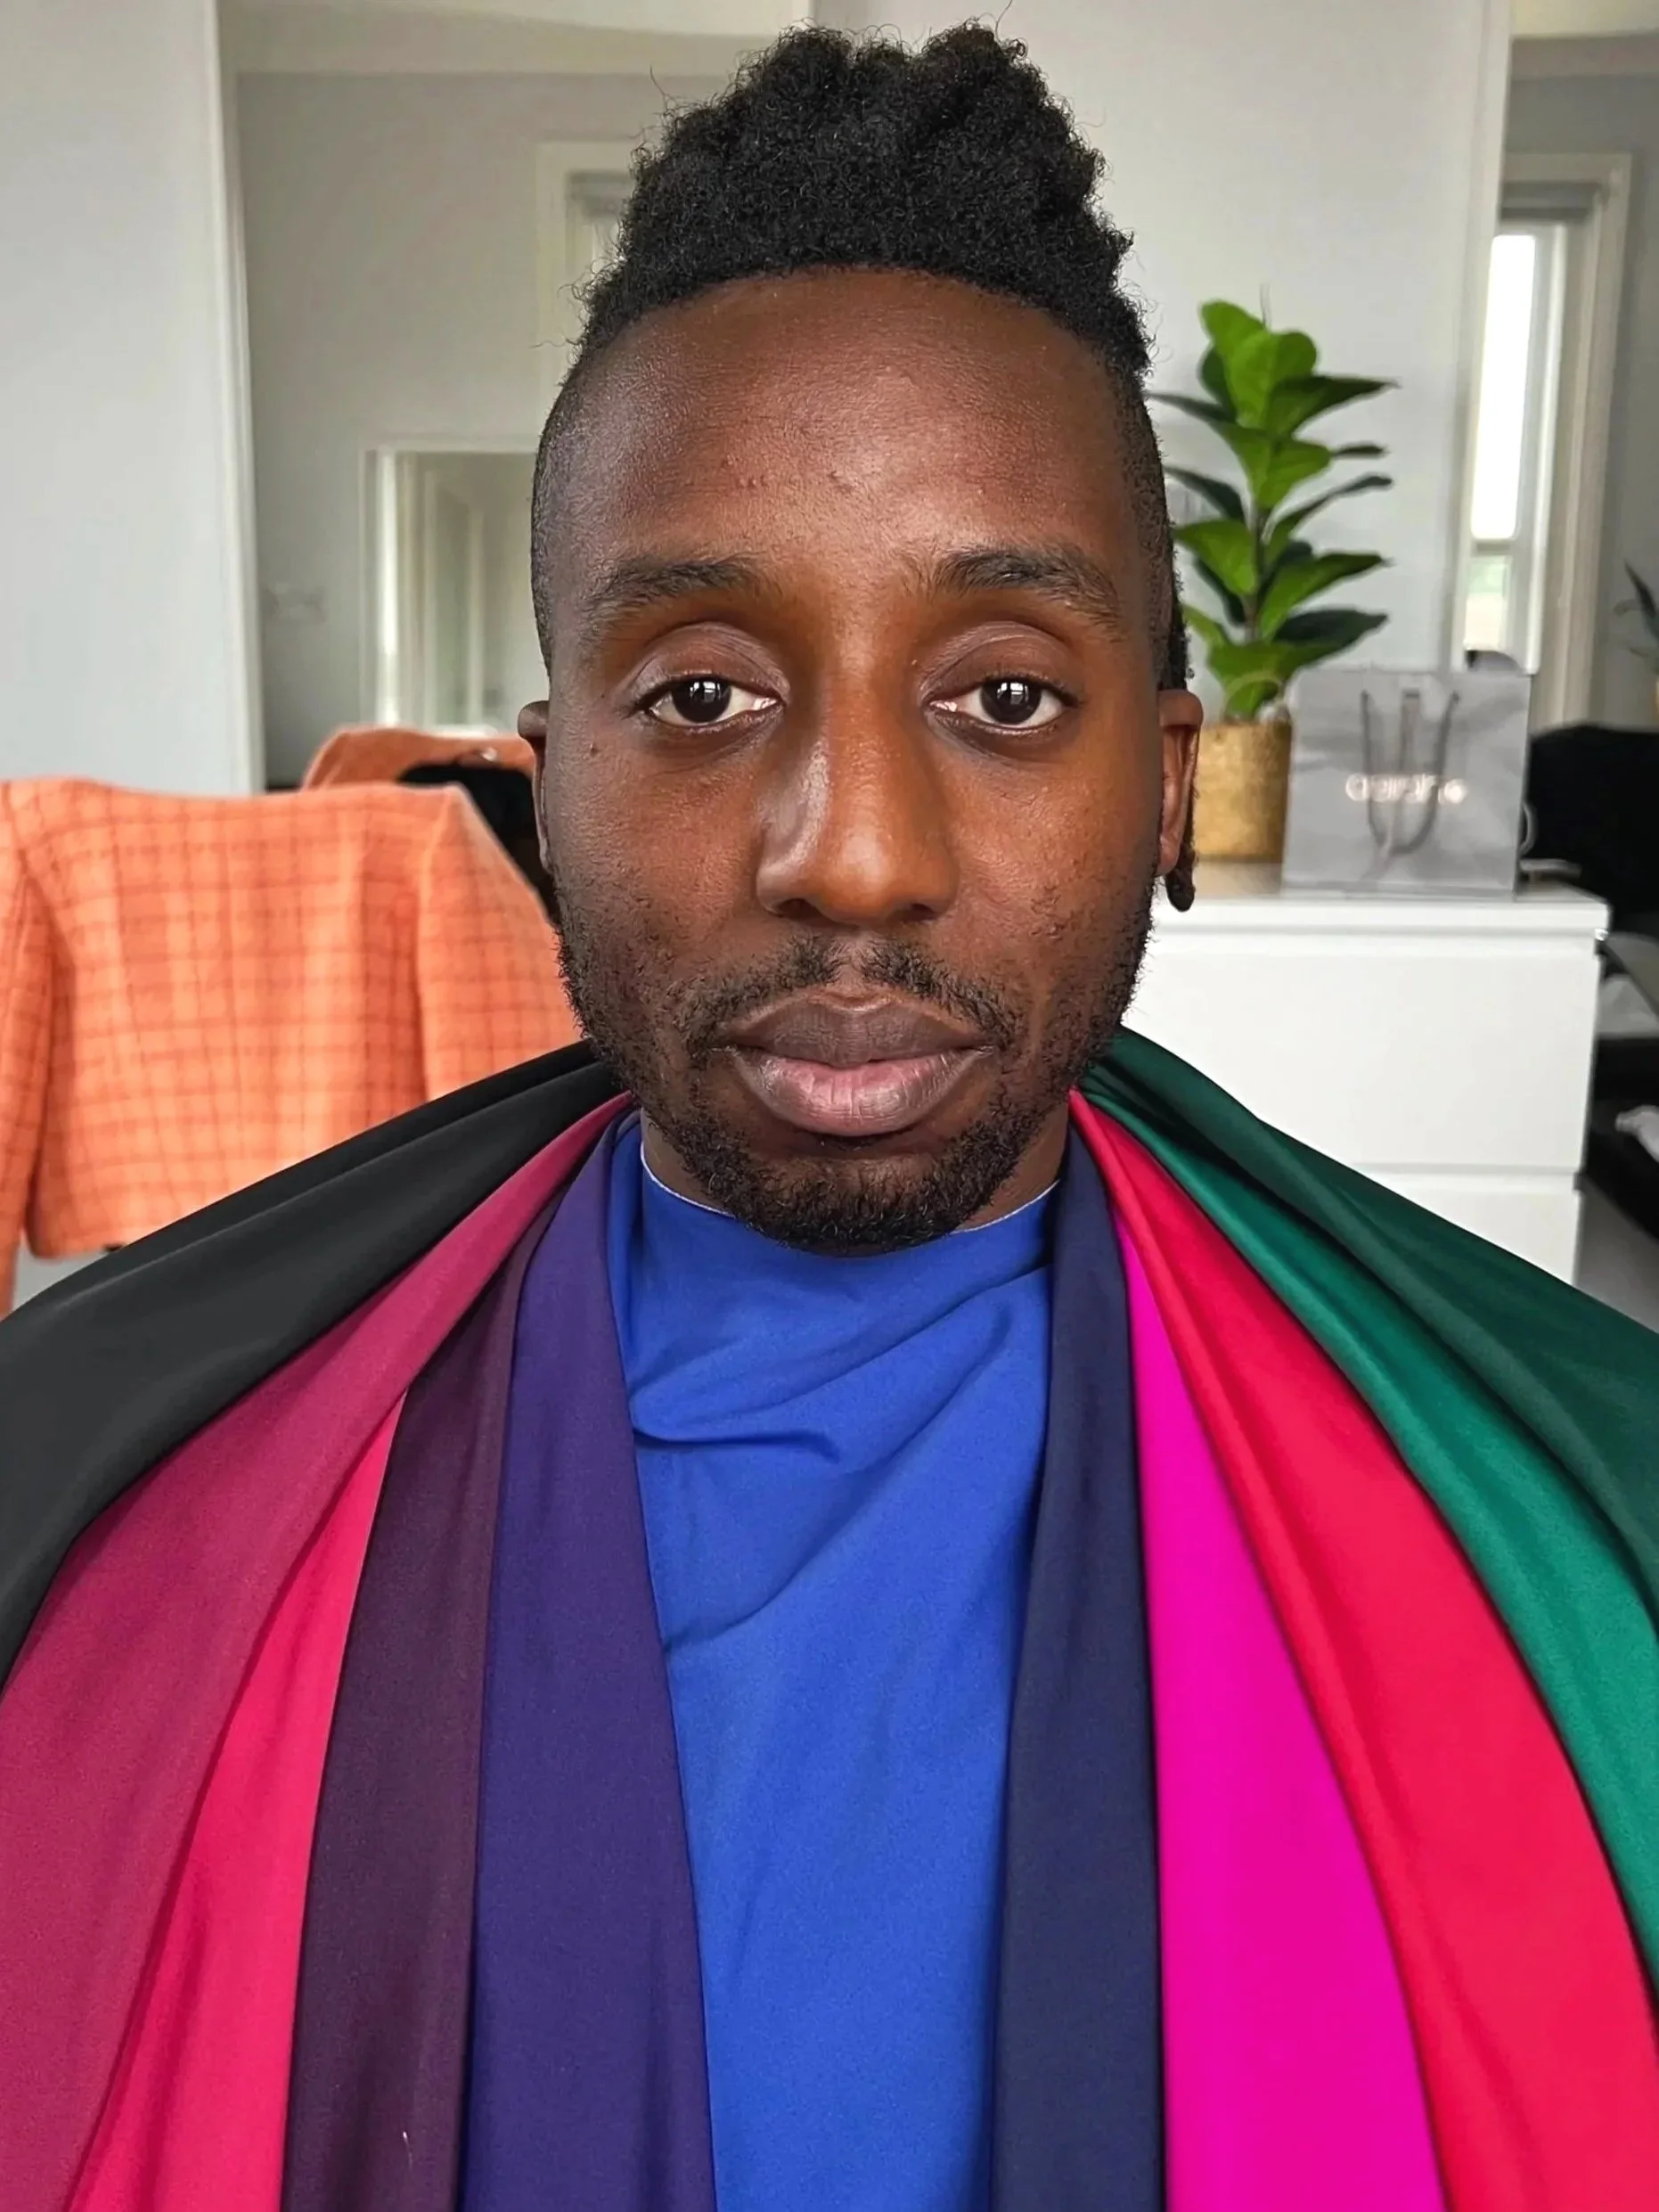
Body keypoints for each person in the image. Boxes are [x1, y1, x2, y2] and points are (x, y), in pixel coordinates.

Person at [2, 27, 1657, 2212]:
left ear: (1164, 783)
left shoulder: (1584, 1523)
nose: (854, 852)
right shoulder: (101, 1482)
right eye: (702, 692)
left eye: (1002, 694)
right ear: (540, 787)